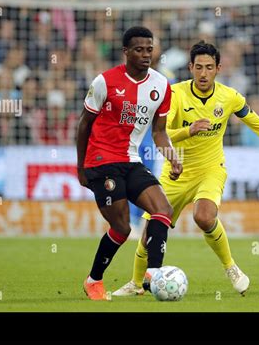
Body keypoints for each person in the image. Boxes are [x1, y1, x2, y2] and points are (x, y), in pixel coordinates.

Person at [113, 41, 259, 297]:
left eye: (209, 67)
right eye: (198, 67)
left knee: (204, 216)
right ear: (190, 68)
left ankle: (231, 268)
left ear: (218, 68)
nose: (203, 73)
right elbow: (160, 133)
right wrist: (189, 130)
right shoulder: (175, 94)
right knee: (150, 232)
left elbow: (258, 124)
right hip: (177, 171)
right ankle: (136, 284)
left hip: (210, 169)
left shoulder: (229, 97)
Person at [76, 26, 183, 301]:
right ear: (126, 52)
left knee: (163, 210)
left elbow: (159, 132)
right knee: (122, 227)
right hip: (101, 161)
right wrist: (81, 167)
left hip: (131, 159)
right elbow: (84, 124)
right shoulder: (104, 81)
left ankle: (154, 275)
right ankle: (94, 280)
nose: (146, 55)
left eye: (150, 49)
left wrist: (172, 158)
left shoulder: (161, 86)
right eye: (139, 49)